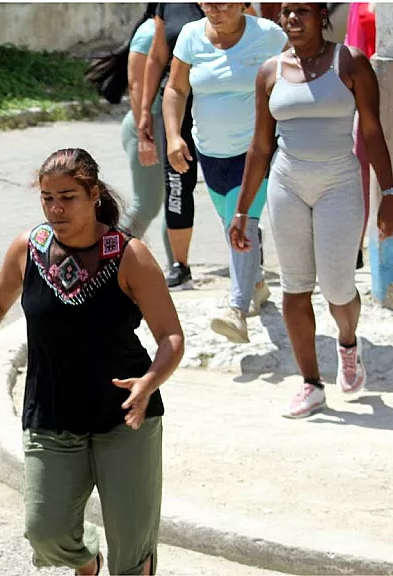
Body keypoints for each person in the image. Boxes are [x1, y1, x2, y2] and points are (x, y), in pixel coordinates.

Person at [0, 148, 185, 576]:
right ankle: (87, 558)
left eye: (67, 197)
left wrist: (149, 382)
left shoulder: (130, 255)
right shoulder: (27, 249)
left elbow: (171, 337)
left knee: (132, 552)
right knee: (45, 531)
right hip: (50, 414)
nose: (56, 208)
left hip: (124, 417)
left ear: (93, 194)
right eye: (47, 198)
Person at [230, 2, 393, 418]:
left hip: (339, 182)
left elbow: (372, 132)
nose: (291, 19)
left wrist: (389, 193)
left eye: (302, 11)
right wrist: (243, 211)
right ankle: (310, 384)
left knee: (338, 287)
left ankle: (348, 341)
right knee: (295, 285)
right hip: (288, 184)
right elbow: (260, 145)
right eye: (286, 11)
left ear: (322, 15)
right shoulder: (269, 72)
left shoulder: (351, 63)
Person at [163, 2, 287, 342]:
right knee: (232, 225)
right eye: (208, 2)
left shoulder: (269, 36)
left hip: (255, 151)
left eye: (224, 2)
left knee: (241, 221)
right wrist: (174, 136)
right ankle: (257, 285)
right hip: (209, 151)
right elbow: (176, 89)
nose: (215, 8)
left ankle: (237, 307)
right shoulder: (191, 35)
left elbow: (297, 74)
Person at [138, 2, 207, 290]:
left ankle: (249, 256)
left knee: (233, 183)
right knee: (177, 182)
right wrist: (144, 110)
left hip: (224, 102)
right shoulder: (167, 4)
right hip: (178, 105)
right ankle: (181, 265)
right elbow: (156, 57)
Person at [119, 4, 177, 268]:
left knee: (176, 199)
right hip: (147, 127)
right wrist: (146, 137)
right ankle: (104, 261)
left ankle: (177, 266)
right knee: (147, 205)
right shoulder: (148, 33)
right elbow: (136, 86)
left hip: (169, 127)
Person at [345, 2, 376, 268]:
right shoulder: (359, 4)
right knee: (361, 169)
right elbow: (353, 42)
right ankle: (356, 243)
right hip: (367, 94)